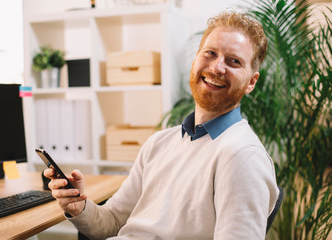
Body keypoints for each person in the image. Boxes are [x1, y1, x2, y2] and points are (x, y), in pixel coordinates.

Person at [44, 10, 279, 240]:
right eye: (210, 53)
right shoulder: (160, 142)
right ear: (195, 59)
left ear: (251, 82)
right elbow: (114, 222)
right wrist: (77, 206)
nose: (217, 67)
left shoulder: (242, 156)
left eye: (233, 61)